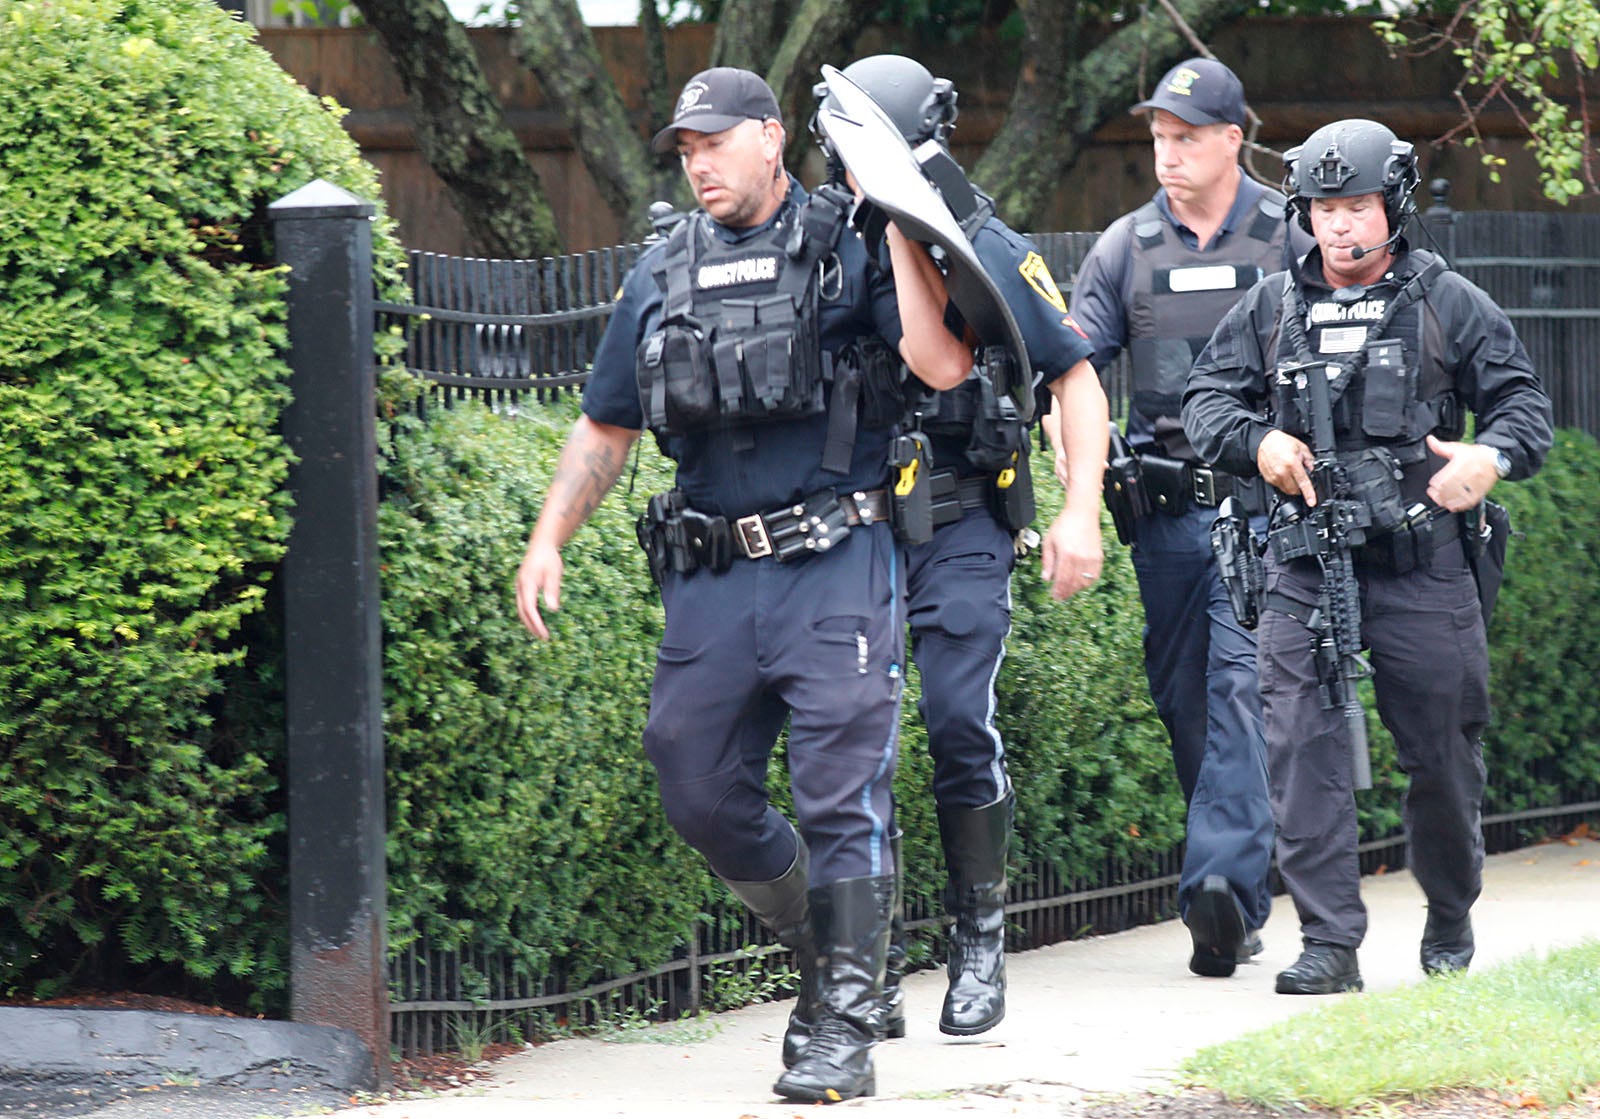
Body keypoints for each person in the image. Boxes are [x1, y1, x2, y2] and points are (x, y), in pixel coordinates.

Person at [513, 67, 972, 1102]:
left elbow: (943, 367)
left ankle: (838, 1030)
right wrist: (549, 540)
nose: (700, 162)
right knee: (695, 784)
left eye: (716, 141)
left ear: (772, 138)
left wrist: (901, 231)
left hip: (836, 564)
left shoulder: (851, 243)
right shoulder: (662, 269)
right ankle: (832, 953)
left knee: (838, 794)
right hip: (713, 576)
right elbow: (606, 423)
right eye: (685, 148)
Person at [1181, 117, 1553, 993]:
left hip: (1422, 564)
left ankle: (1451, 911)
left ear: (1393, 204)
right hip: (1303, 565)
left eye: (1355, 206)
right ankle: (1329, 942)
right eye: (1322, 208)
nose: (1339, 226)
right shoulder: (1271, 309)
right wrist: (1257, 443)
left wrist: (1486, 460)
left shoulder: (1444, 300)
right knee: (1299, 750)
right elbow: (1204, 401)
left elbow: (1524, 410)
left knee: (1443, 757)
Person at [820, 54, 1107, 1039]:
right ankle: (871, 965)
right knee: (853, 738)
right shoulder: (830, 246)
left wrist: (1079, 511)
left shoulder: (982, 241)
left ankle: (977, 944)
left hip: (960, 521)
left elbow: (1073, 377)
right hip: (856, 530)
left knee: (952, 722)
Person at [1064, 58, 1310, 978]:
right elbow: (1073, 364)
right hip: (1167, 517)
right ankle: (1240, 896)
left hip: (1266, 510)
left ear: (1231, 140)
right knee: (1187, 701)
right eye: (1159, 139)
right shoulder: (1126, 246)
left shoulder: (1288, 238)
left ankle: (1216, 885)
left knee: (1242, 687)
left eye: (1186, 138)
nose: (1166, 155)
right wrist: (1072, 468)